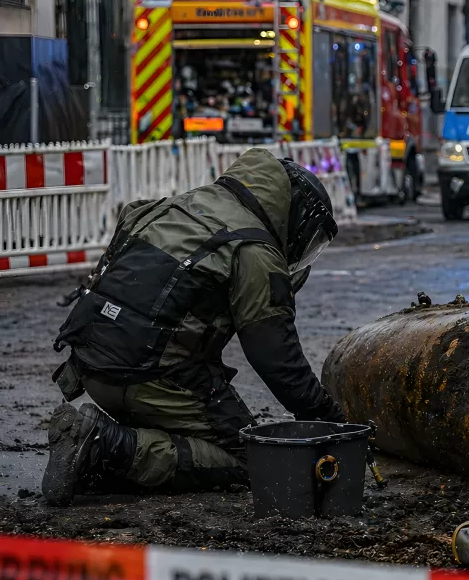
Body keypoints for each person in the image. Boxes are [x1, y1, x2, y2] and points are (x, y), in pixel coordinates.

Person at [42, 149, 345, 506]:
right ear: (295, 217)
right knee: (254, 457)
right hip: (144, 378)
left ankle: (98, 458)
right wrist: (327, 417)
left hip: (90, 366)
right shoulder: (254, 247)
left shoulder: (177, 206)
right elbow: (276, 357)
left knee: (197, 411)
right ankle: (104, 446)